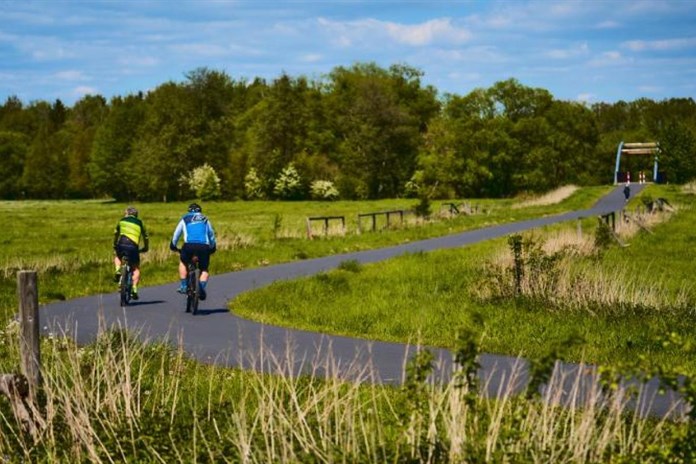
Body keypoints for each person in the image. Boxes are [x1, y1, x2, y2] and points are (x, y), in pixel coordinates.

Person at [170, 203, 216, 300]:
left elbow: (176, 233)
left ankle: (183, 286)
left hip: (189, 245)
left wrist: (173, 245)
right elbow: (211, 234)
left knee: (183, 262)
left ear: (189, 211)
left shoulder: (185, 218)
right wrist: (212, 247)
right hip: (204, 246)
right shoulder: (205, 219)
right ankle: (200, 289)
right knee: (204, 269)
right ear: (200, 211)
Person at [113, 206, 149, 300]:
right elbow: (146, 236)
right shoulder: (140, 223)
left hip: (121, 244)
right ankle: (134, 288)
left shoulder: (121, 221)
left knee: (117, 256)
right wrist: (146, 247)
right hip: (133, 247)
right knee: (136, 268)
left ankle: (117, 270)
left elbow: (116, 233)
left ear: (127, 213)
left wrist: (115, 244)